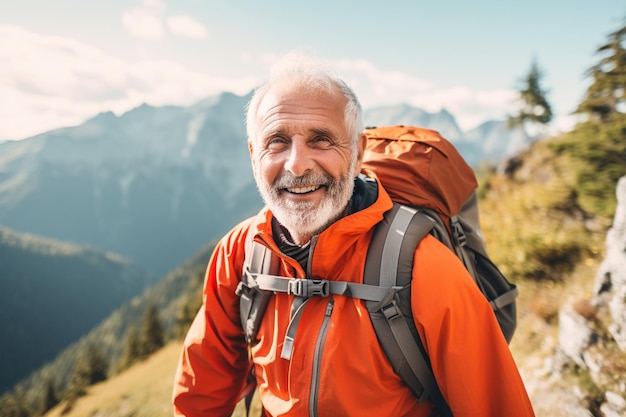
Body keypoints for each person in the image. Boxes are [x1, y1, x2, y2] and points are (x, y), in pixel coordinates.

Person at [172, 52, 536, 417]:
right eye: (277, 141)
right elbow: (201, 395)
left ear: (359, 152)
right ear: (254, 155)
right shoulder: (239, 255)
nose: (297, 164)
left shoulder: (423, 268)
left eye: (321, 140)